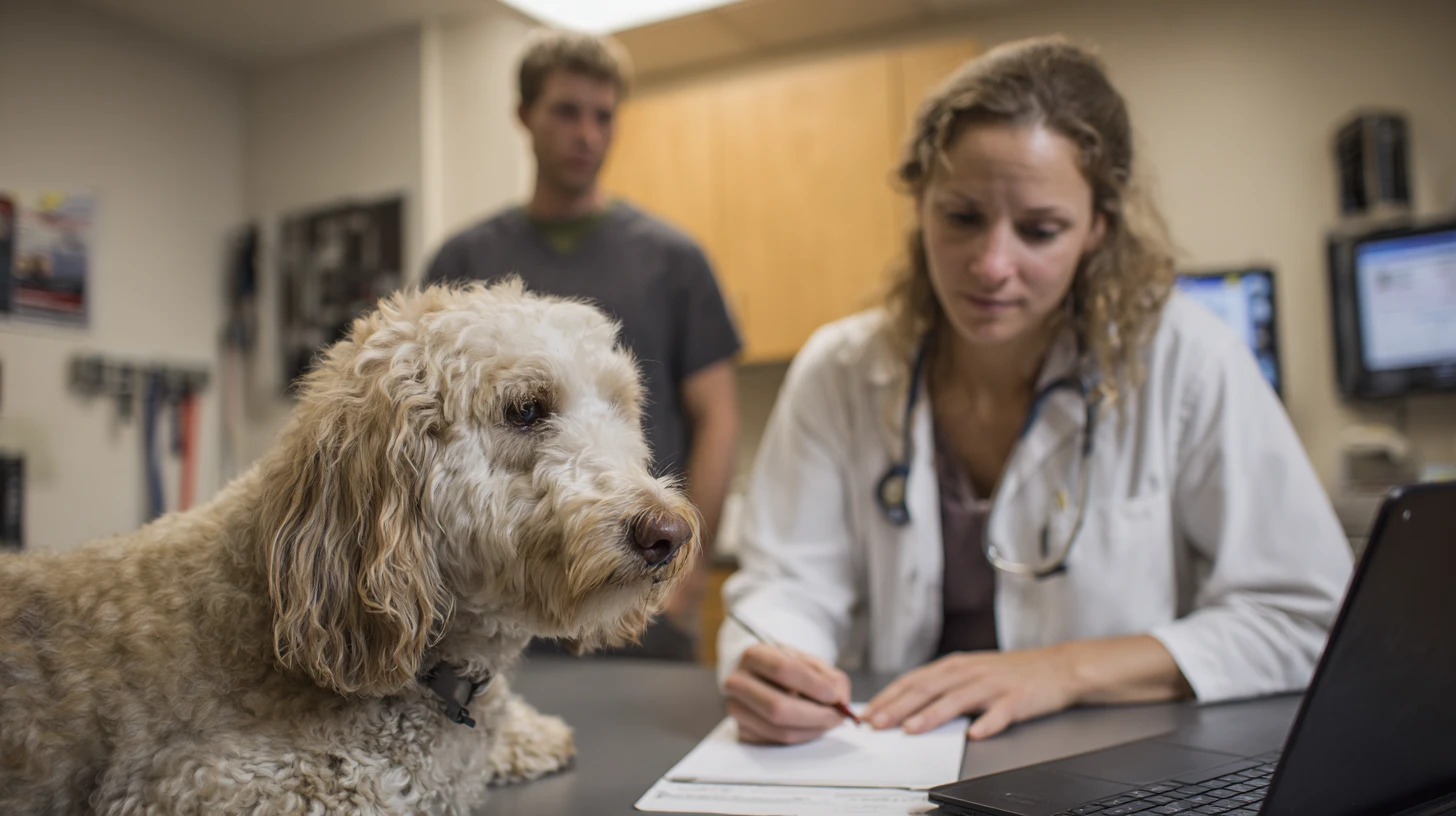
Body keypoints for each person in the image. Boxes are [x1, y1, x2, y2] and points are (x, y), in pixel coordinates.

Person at [717, 36, 1353, 744]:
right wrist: (775, 663)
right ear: (921, 202)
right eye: (961, 217)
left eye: (1040, 230)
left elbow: (1304, 617)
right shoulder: (839, 371)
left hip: (1113, 756)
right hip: (887, 753)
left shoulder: (1186, 360)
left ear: (1096, 231)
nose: (991, 265)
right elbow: (788, 586)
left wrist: (1061, 670)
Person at [425, 31, 741, 660]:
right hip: (501, 607)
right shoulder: (466, 260)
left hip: (636, 590)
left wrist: (690, 578)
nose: (587, 135)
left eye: (603, 116)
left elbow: (718, 418)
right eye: (566, 112)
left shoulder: (672, 260)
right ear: (525, 117)